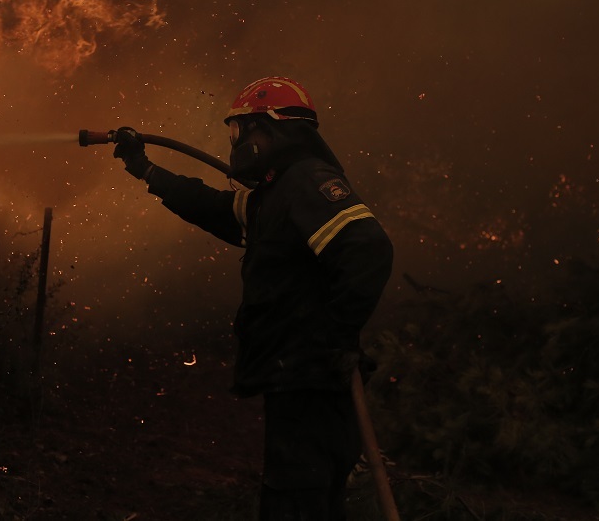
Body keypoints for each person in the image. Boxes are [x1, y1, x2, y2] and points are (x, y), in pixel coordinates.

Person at [112, 77, 393, 520]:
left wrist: (333, 338)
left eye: (242, 131)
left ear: (271, 130)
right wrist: (147, 171)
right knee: (301, 498)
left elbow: (367, 248)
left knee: (298, 500)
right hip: (298, 376)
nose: (237, 142)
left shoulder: (306, 181)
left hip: (310, 380)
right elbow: (218, 209)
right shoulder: (277, 194)